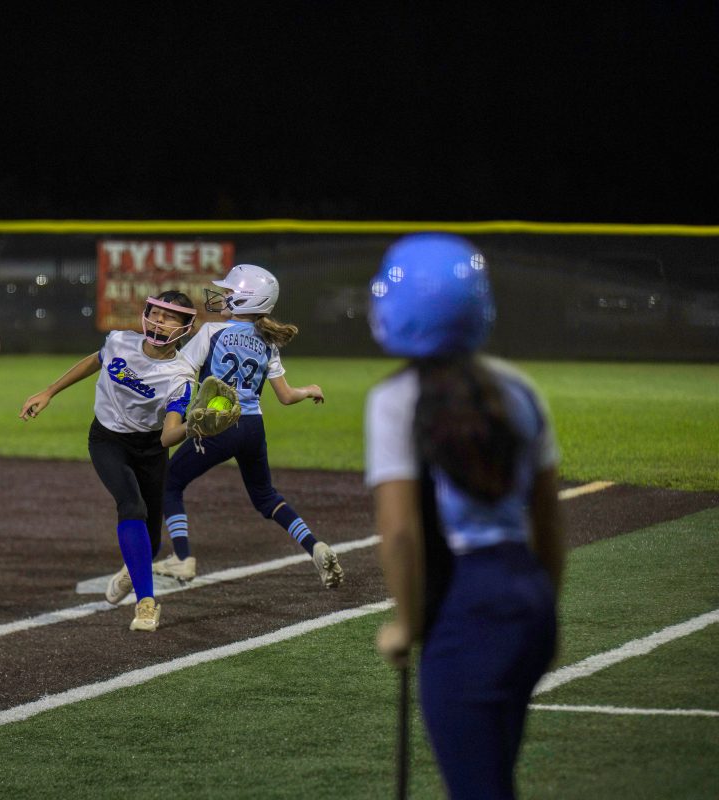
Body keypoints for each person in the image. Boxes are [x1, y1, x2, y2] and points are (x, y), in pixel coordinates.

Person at [366, 233, 564, 799]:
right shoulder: (519, 390)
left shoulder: (395, 399)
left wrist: (406, 625)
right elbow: (548, 524)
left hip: (465, 604)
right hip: (527, 598)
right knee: (494, 776)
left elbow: (401, 536)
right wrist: (541, 608)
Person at [153, 264, 345, 590]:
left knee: (168, 484)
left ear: (246, 299)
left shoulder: (212, 332)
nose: (223, 296)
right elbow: (285, 396)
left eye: (229, 292)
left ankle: (182, 558)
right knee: (266, 497)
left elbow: (179, 372)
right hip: (253, 426)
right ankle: (315, 546)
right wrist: (309, 390)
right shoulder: (268, 342)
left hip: (217, 423)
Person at [19, 291, 199, 632]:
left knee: (151, 542)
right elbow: (95, 360)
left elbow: (167, 438)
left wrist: (194, 426)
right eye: (155, 312)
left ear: (185, 327)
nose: (159, 320)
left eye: (169, 316)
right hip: (107, 440)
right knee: (131, 506)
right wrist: (49, 391)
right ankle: (146, 603)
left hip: (151, 447)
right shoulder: (120, 341)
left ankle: (133, 570)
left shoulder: (181, 374)